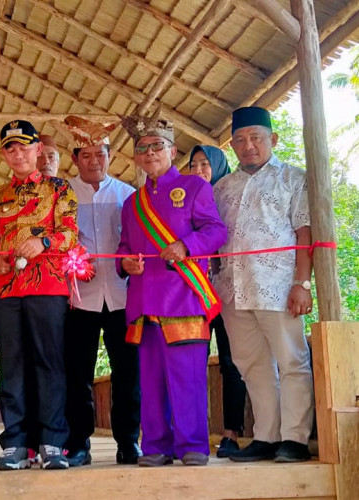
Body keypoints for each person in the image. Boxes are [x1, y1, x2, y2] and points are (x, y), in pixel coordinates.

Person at [118, 116, 227, 467]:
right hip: (144, 303)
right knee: (150, 383)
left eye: (157, 147)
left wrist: (185, 245)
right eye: (142, 148)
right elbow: (122, 248)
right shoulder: (131, 204)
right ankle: (155, 446)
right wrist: (125, 264)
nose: (149, 153)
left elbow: (215, 231)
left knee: (187, 378)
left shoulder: (195, 188)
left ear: (172, 151)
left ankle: (193, 444)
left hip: (183, 297)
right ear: (136, 156)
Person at [214, 106, 314, 463]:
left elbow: (305, 232)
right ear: (232, 145)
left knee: (291, 361)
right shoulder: (222, 187)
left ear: (273, 139)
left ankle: (295, 439)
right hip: (232, 290)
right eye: (240, 140)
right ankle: (267, 437)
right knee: (251, 365)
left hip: (278, 285)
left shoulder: (293, 178)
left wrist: (302, 283)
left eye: (256, 137)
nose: (248, 145)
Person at [0, 120, 78, 470]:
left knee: (49, 364)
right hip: (5, 291)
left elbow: (69, 234)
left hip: (48, 286)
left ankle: (53, 442)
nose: (18, 153)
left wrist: (43, 242)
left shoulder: (59, 189)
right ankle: (16, 444)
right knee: (11, 366)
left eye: (24, 146)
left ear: (38, 150)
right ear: (2, 154)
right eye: (10, 147)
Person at [62, 116, 141, 467]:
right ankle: (78, 442)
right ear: (75, 158)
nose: (95, 161)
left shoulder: (128, 195)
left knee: (128, 370)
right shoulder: (62, 196)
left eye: (101, 154)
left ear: (110, 155)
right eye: (87, 155)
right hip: (78, 297)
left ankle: (128, 441)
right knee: (77, 372)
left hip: (123, 295)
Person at [189, 145, 247, 458]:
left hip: (227, 292)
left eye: (205, 164)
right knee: (192, 362)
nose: (199, 170)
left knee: (230, 363)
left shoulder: (228, 197)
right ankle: (192, 432)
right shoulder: (183, 200)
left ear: (218, 166)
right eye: (194, 165)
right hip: (195, 293)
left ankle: (231, 433)